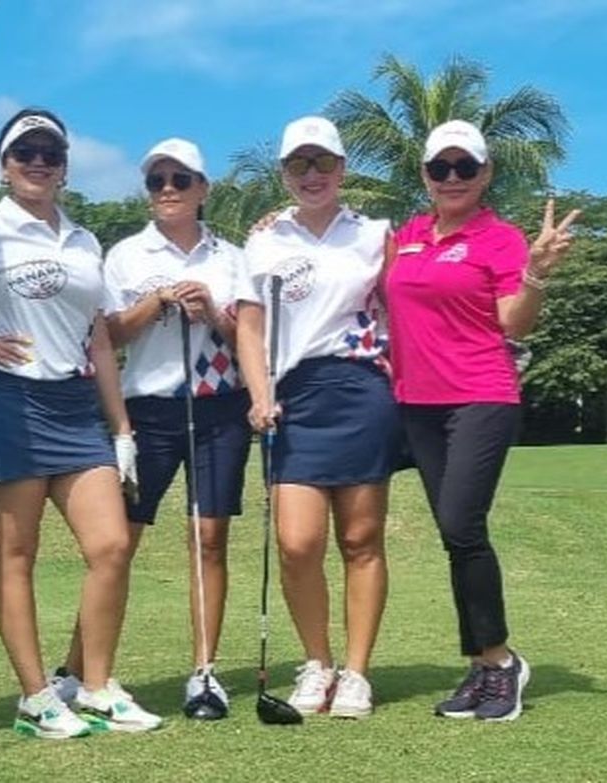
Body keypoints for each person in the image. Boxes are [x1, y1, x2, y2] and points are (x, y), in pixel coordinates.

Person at [0, 108, 163, 739]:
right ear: (5, 164)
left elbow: (98, 338)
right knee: (16, 555)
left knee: (111, 547)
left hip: (75, 409)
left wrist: (121, 427)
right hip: (8, 404)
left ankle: (95, 687)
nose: (38, 162)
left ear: (65, 165)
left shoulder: (83, 239)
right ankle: (36, 698)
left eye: (50, 153)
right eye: (25, 153)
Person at [383, 120, 579, 722]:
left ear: (485, 173)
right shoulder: (410, 235)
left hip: (480, 395)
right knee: (454, 534)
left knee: (462, 523)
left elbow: (514, 324)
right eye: (439, 168)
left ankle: (500, 662)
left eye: (464, 168)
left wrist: (538, 271)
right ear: (424, 175)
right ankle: (482, 665)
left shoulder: (501, 240)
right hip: (417, 401)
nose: (451, 178)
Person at [51, 138, 254, 719]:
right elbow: (110, 336)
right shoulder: (126, 255)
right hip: (147, 412)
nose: (168, 189)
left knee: (208, 540)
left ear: (202, 189)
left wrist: (210, 308)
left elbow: (246, 334)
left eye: (180, 179)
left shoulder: (230, 255)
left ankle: (205, 674)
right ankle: (75, 670)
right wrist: (159, 301)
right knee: (117, 545)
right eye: (157, 181)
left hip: (219, 409)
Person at [236, 116, 402, 719]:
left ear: (342, 168)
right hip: (291, 397)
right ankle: (316, 660)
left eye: (322, 163)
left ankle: (356, 673)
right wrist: (259, 393)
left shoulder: (375, 233)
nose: (312, 175)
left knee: (361, 539)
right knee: (297, 542)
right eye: (299, 165)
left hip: (358, 388)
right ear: (283, 173)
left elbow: (405, 304)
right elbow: (249, 328)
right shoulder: (264, 240)